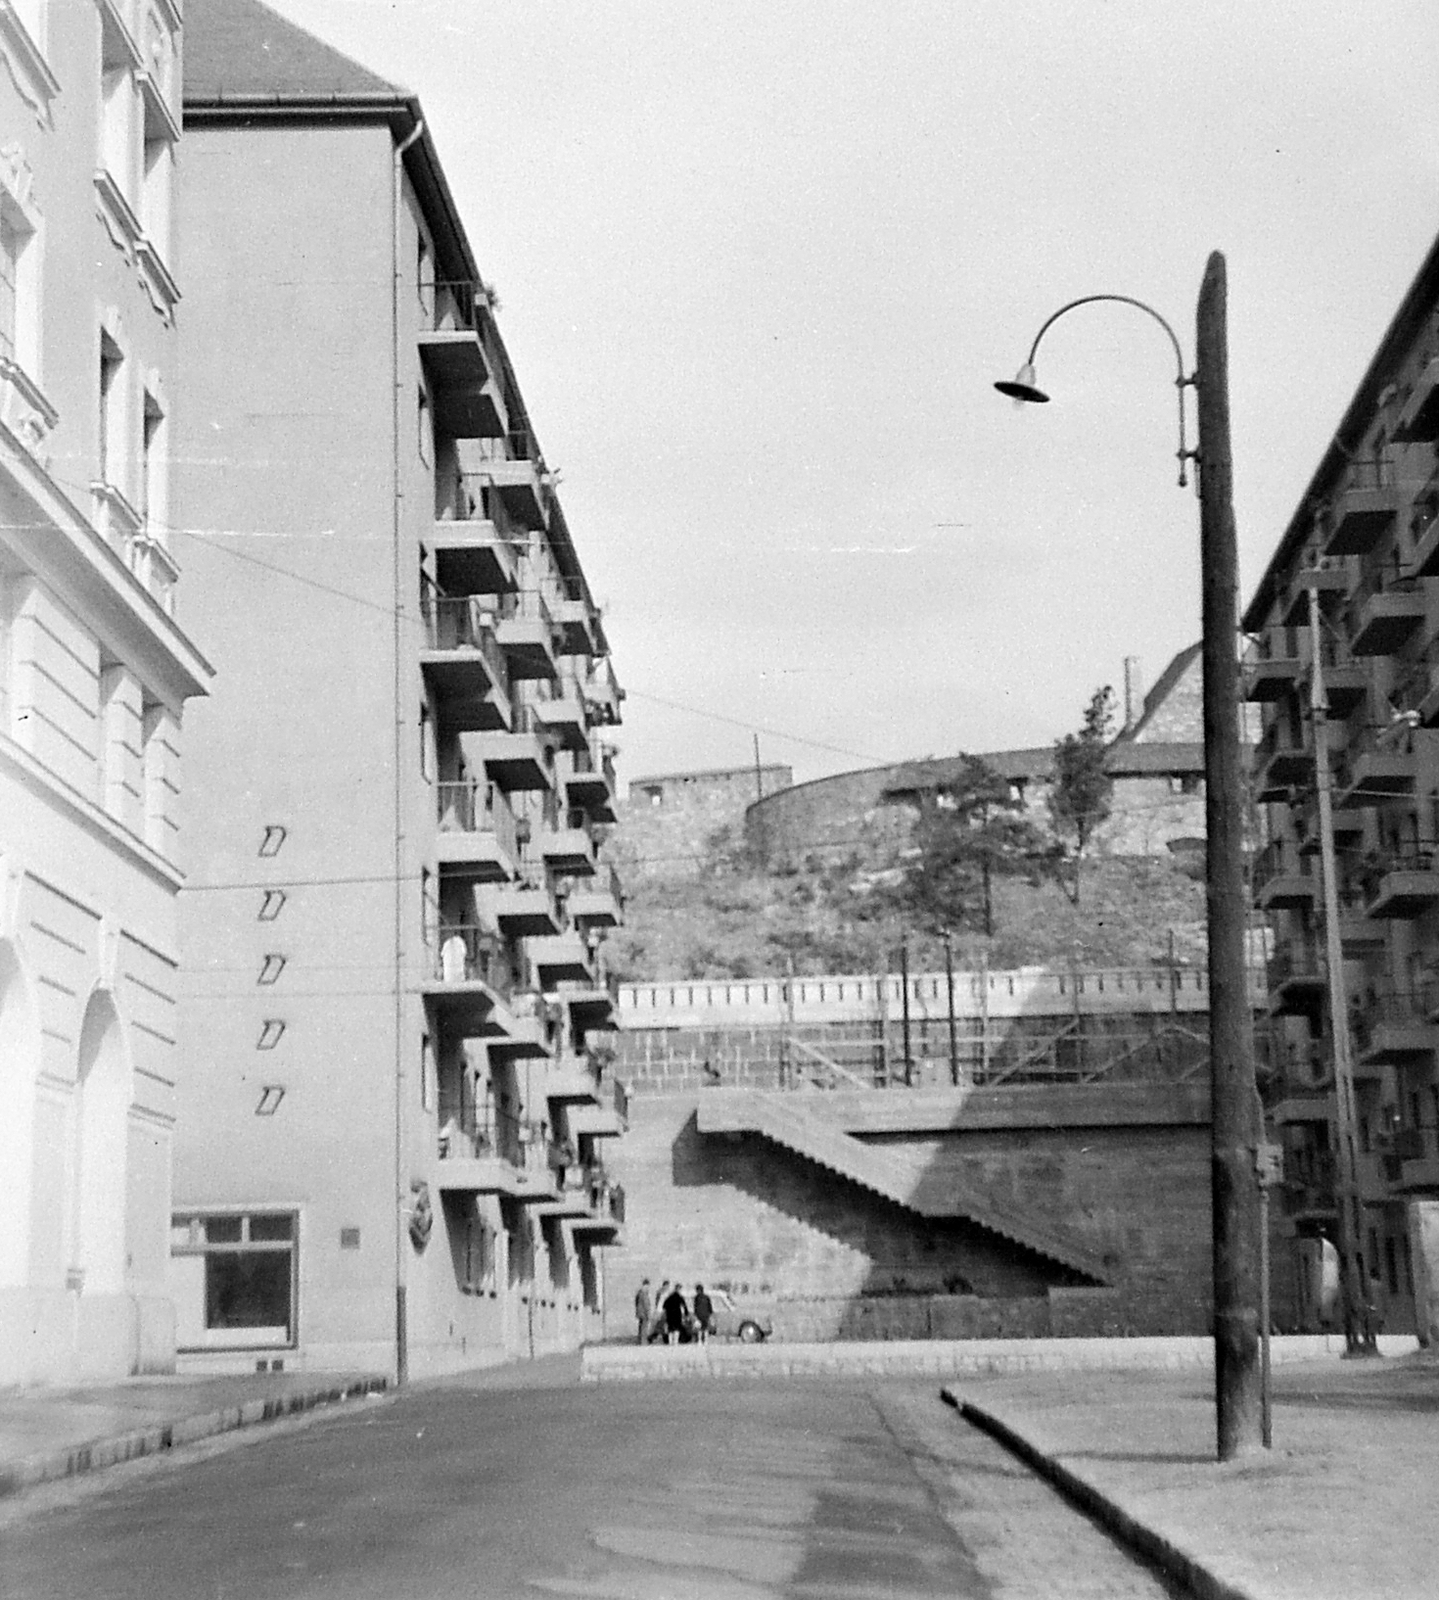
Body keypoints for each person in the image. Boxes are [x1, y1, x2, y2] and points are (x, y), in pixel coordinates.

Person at [647, 1280, 671, 1344]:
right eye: (667, 1286)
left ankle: (655, 1338)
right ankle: (664, 1339)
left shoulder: (660, 1292)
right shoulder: (664, 1293)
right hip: (662, 1311)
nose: (668, 1287)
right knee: (662, 1326)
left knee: (661, 1326)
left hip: (660, 1310)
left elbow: (657, 1302)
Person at [634, 1278, 652, 1345]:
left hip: (639, 1312)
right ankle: (643, 1341)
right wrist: (648, 1312)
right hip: (644, 1312)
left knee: (640, 1327)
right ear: (646, 1285)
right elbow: (646, 1303)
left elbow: (636, 1302)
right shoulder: (644, 1293)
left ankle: (639, 1341)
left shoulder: (639, 1292)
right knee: (644, 1327)